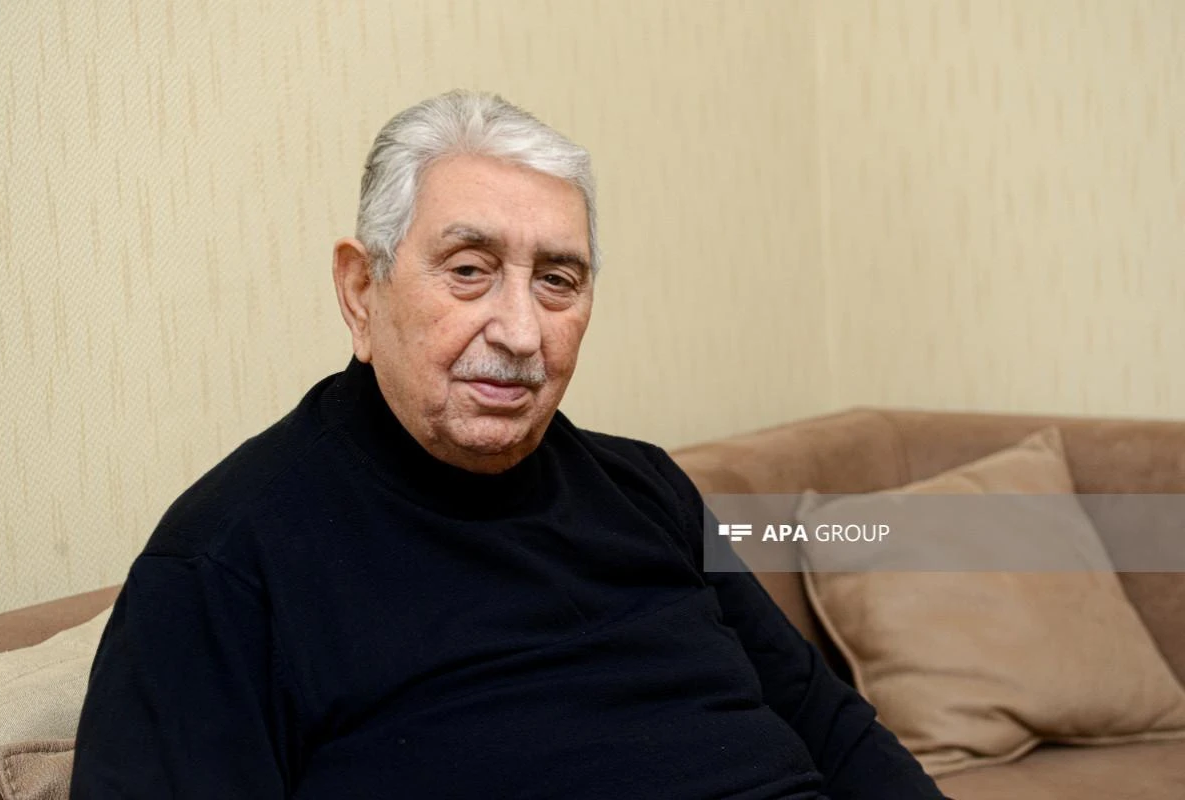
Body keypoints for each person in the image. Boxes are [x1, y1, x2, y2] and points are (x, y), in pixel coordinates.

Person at [71, 90, 945, 799]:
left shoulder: (643, 487)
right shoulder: (223, 564)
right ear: (361, 290)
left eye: (557, 280)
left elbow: (828, 724)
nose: (521, 332)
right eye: (469, 270)